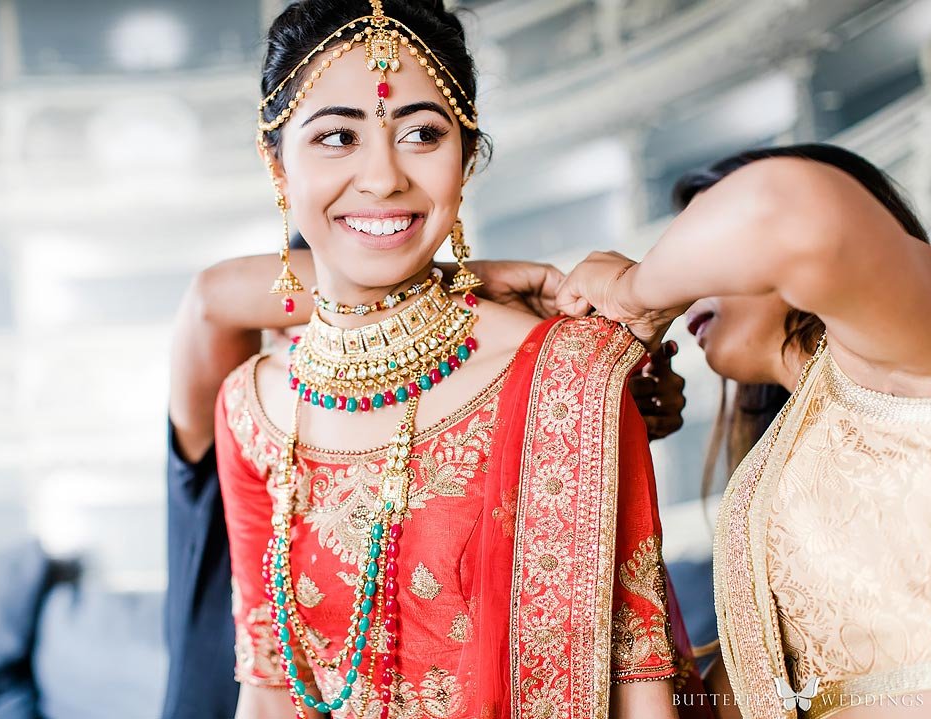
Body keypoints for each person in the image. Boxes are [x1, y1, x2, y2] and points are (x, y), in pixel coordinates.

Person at [197, 1, 711, 717]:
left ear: (466, 159)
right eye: (338, 136)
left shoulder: (567, 372)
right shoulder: (251, 407)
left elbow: (638, 683)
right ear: (276, 162)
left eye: (421, 134)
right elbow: (269, 688)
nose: (382, 178)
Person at [164, 248, 684, 719]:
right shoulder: (245, 420)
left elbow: (630, 659)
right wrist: (444, 280)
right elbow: (213, 297)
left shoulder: (530, 390)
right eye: (305, 317)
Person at [558, 143, 931, 719]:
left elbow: (781, 210)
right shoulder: (779, 479)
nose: (684, 287)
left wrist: (631, 292)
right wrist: (599, 445)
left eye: (703, 247)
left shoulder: (900, 349)